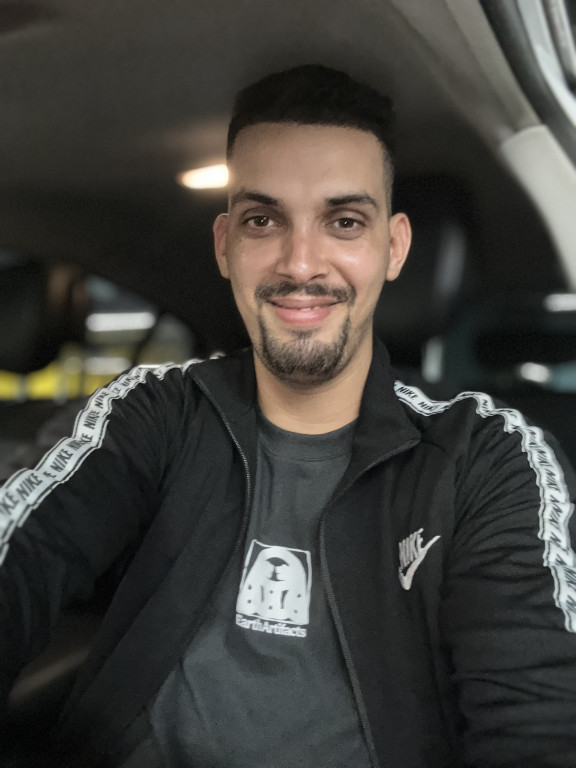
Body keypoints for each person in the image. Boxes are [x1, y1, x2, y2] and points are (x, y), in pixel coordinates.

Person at [1, 65, 576, 768]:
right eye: (263, 220)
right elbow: (20, 554)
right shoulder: (157, 411)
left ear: (394, 247)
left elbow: (539, 717)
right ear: (225, 244)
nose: (301, 264)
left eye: (344, 221)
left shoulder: (483, 458)